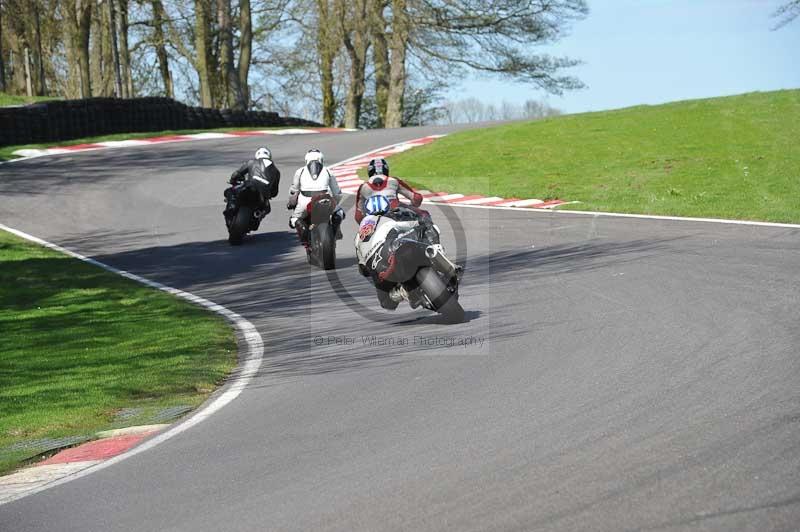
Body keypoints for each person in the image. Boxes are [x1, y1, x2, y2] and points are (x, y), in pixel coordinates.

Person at [287, 149, 344, 245]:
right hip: (325, 199)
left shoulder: (299, 171)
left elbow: (294, 191)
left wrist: (291, 203)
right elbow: (337, 193)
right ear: (321, 159)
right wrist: (336, 203)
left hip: (305, 201)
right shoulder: (328, 171)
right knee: (340, 213)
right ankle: (334, 233)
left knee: (293, 219)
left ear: (306, 160)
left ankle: (302, 230)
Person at [353, 158, 424, 224]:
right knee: (424, 215)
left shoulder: (363, 187)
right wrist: (413, 207)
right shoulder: (393, 180)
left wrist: (366, 225)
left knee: (364, 235)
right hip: (396, 215)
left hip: (374, 220)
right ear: (386, 169)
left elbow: (358, 216)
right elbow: (416, 198)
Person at [226, 146, 281, 213]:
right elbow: (275, 192)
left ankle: (232, 207)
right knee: (267, 209)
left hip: (251, 186)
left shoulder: (251, 162)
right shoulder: (277, 171)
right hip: (263, 193)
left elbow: (237, 173)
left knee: (229, 191)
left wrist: (232, 180)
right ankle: (258, 215)